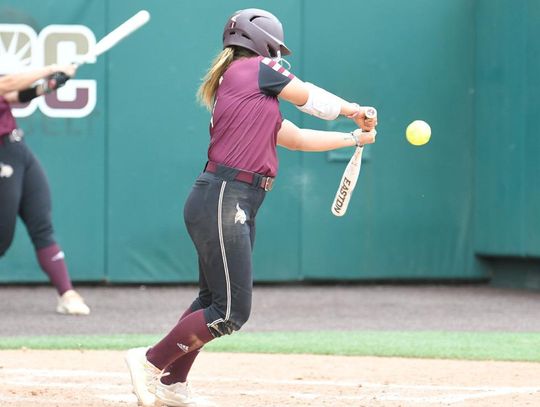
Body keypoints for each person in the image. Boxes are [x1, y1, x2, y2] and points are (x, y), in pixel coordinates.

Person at [125, 8, 377, 406]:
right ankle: (150, 361)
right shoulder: (253, 70)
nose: (279, 57)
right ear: (260, 42)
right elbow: (310, 98)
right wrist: (354, 110)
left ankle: (172, 385)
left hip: (230, 198)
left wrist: (353, 139)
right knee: (230, 311)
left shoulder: (251, 92)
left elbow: (294, 138)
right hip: (226, 195)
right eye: (275, 49)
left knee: (212, 302)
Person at [0, 63, 90, 315]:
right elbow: (4, 85)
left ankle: (67, 293)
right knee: (1, 239)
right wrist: (53, 67)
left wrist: (49, 85)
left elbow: (12, 96)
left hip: (17, 148)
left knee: (41, 223)